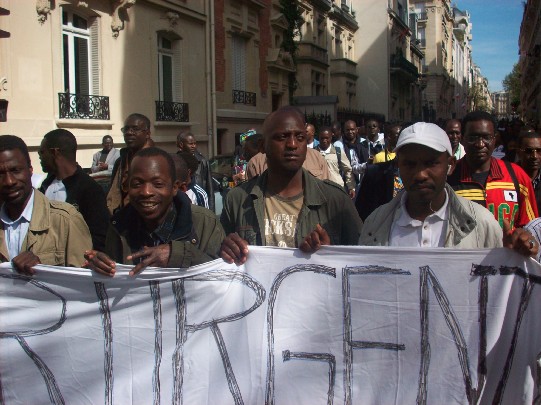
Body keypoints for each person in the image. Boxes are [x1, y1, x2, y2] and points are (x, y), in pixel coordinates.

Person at [300, 123, 538, 257]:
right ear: (398, 166)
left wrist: (514, 256)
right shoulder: (375, 224)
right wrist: (328, 258)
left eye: (431, 163)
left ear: (450, 165)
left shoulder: (482, 224)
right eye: (410, 164)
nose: (420, 173)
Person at [220, 106, 362, 264]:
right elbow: (217, 266)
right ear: (262, 146)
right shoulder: (237, 200)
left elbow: (362, 265)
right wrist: (225, 250)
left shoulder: (336, 201)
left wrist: (330, 254)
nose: (293, 144)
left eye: (300, 137)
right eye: (282, 137)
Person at [84, 147, 225, 276]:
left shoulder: (205, 223)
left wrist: (178, 255)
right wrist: (98, 268)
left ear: (175, 187)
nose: (146, 192)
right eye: (137, 184)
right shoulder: (118, 227)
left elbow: (225, 278)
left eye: (158, 184)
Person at [0, 135, 92, 275]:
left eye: (16, 170)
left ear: (30, 169)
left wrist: (44, 271)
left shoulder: (65, 221)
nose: (9, 181)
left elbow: (83, 286)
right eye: (0, 174)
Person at [447, 111, 538, 229]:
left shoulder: (517, 177)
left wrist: (523, 240)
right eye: (472, 138)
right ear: (462, 139)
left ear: (495, 139)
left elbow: (532, 230)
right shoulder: (448, 178)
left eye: (486, 137)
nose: (480, 144)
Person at [38, 129, 109, 251]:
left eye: (42, 152)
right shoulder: (45, 186)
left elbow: (98, 236)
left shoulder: (89, 189)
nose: (40, 157)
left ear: (55, 152)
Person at [107, 113, 153, 214]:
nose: (129, 133)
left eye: (135, 129)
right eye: (126, 129)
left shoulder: (157, 161)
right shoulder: (121, 161)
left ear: (148, 134)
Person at [246, 143, 330, 181]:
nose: (292, 143)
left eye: (299, 135)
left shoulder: (316, 157)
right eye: (283, 136)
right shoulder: (256, 163)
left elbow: (327, 192)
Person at [177, 131, 215, 212]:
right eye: (190, 144)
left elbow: (210, 188)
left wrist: (211, 213)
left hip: (199, 203)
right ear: (181, 144)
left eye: (195, 143)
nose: (193, 146)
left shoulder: (202, 161)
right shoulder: (175, 161)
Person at [315, 126, 355, 198]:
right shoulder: (313, 153)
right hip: (319, 190)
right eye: (322, 138)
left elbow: (347, 169)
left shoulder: (338, 151)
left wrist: (351, 187)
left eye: (327, 138)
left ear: (331, 137)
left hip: (336, 189)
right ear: (318, 138)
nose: (324, 140)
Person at [517, 130, 541, 211]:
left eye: (539, 151)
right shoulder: (508, 178)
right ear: (519, 153)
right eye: (528, 151)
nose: (534, 156)